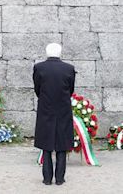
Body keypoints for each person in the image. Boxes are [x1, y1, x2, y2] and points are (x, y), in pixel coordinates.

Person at [32, 43, 76, 185]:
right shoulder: (69, 69)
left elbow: (37, 88)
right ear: (60, 52)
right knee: (62, 144)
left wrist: (46, 98)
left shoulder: (39, 67)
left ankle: (46, 178)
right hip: (63, 108)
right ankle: (60, 178)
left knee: (46, 144)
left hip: (46, 108)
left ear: (47, 52)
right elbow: (70, 89)